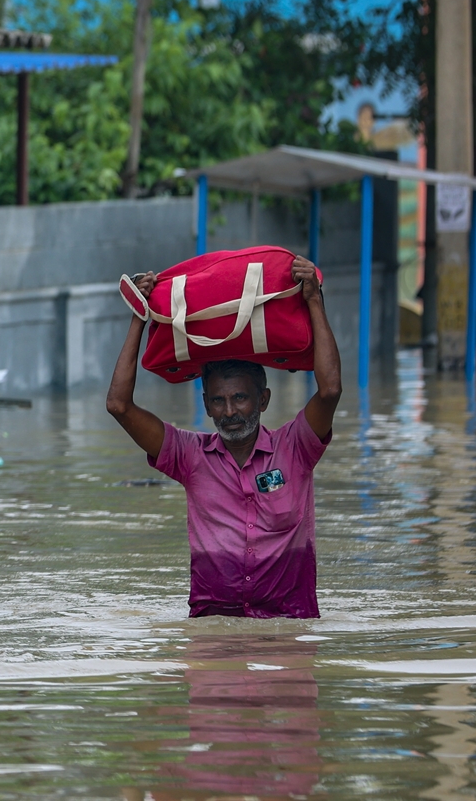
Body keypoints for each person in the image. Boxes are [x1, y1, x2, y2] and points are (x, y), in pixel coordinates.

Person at [106, 256, 340, 619]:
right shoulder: (190, 456)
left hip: (288, 626)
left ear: (263, 399)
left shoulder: (295, 448)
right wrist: (140, 315)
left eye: (240, 398)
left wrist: (313, 300)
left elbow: (329, 392)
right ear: (207, 405)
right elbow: (119, 406)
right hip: (211, 630)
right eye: (218, 400)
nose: (230, 411)